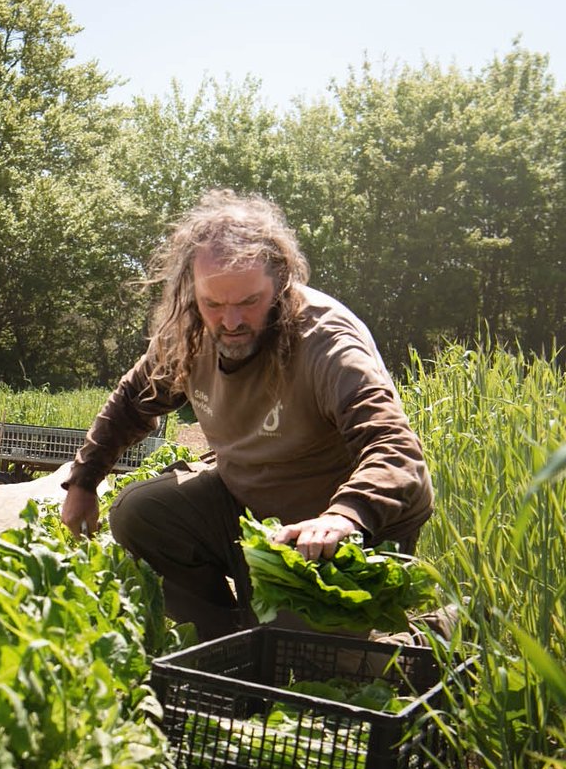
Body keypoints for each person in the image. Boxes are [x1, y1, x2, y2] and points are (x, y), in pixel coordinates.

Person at [60, 189, 433, 642]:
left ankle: (436, 628)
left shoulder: (326, 343)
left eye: (249, 302)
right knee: (141, 513)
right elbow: (130, 401)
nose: (231, 321)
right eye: (214, 304)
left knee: (318, 662)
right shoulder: (189, 331)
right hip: (252, 509)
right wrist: (83, 482)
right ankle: (222, 641)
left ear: (280, 282)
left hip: (342, 527)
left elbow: (395, 450)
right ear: (191, 290)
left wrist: (344, 516)